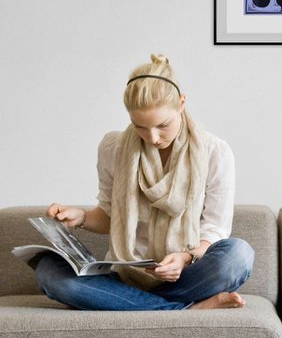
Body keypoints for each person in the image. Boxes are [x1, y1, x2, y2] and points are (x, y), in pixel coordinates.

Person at [34, 54, 254, 311]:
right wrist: (80, 216)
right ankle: (184, 310)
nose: (152, 137)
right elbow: (110, 216)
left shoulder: (215, 152)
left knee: (239, 255)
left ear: (182, 103)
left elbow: (214, 229)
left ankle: (130, 305)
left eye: (163, 125)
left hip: (186, 275)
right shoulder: (113, 148)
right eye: (139, 126)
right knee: (48, 272)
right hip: (124, 276)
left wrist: (184, 258)